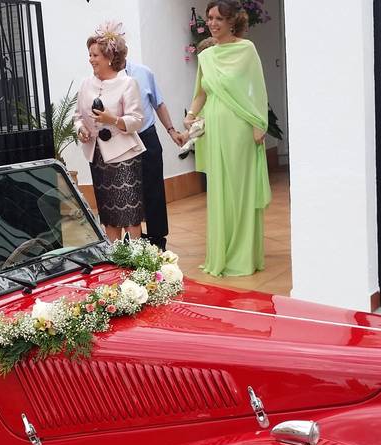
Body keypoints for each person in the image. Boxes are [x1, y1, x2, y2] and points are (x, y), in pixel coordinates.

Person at [185, 0, 271, 277]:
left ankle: (243, 256)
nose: (212, 23)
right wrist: (190, 115)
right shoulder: (207, 56)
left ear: (232, 21)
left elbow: (257, 88)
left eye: (218, 18)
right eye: (209, 18)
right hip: (214, 131)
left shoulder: (246, 50)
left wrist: (260, 123)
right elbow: (201, 92)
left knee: (240, 191)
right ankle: (221, 253)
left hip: (241, 129)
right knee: (220, 191)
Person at [74, 22, 146, 242]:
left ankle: (136, 261)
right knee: (108, 215)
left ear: (108, 57)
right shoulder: (86, 84)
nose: (91, 59)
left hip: (124, 156)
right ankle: (115, 261)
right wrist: (81, 130)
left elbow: (137, 120)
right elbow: (77, 116)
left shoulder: (127, 83)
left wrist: (112, 119)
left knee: (130, 214)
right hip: (98, 158)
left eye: (95, 55)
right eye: (90, 54)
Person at [124, 61, 184, 250]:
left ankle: (158, 239)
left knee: (154, 189)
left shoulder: (143, 72)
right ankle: (133, 239)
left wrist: (172, 131)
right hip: (123, 139)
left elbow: (158, 103)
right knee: (126, 190)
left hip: (146, 135)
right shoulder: (107, 77)